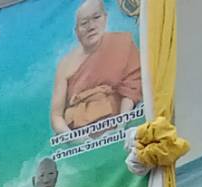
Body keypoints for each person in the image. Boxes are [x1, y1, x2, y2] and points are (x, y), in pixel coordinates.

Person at [51, 0, 142, 132]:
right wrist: (79, 141)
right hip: (79, 136)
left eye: (96, 18)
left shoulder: (122, 44)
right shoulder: (65, 66)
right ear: (76, 31)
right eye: (84, 23)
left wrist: (121, 127)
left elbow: (132, 90)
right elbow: (56, 116)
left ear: (105, 18)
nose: (91, 26)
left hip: (121, 125)